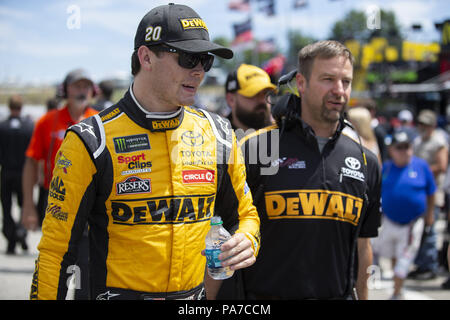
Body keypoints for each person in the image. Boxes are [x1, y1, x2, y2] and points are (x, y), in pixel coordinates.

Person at [29, 3, 260, 300]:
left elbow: (245, 215)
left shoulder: (220, 134)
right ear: (146, 57)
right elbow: (55, 253)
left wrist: (248, 239)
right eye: (189, 58)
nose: (200, 71)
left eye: (205, 60)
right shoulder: (90, 140)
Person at [216, 40, 381, 300]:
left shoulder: (365, 160)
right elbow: (219, 232)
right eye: (328, 79)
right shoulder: (253, 148)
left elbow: (364, 244)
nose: (339, 90)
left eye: (346, 81)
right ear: (301, 83)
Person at [22, 68, 98, 299]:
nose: (82, 91)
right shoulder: (46, 122)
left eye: (86, 87)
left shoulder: (100, 121)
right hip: (55, 202)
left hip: (89, 208)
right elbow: (31, 163)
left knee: (86, 275)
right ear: (65, 90)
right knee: (54, 270)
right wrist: (27, 206)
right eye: (77, 86)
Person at [373, 130, 436, 300]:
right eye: (399, 148)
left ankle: (396, 292)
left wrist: (430, 215)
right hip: (389, 221)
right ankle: (396, 285)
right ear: (392, 150)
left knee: (404, 258)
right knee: (393, 254)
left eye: (406, 147)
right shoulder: (385, 167)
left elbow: (431, 192)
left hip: (412, 223)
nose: (403, 151)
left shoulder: (421, 166)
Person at [408, 109, 448, 280]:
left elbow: (442, 166)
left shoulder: (438, 141)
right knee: (418, 231)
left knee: (429, 230)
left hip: (433, 192)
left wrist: (420, 170)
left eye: (425, 124)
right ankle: (421, 264)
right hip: (418, 192)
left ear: (432, 126)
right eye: (420, 123)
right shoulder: (417, 141)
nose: (422, 126)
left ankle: (429, 265)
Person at [0, 95, 34, 254]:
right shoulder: (29, 127)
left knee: (7, 208)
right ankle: (21, 232)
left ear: (9, 107)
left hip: (6, 172)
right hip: (23, 173)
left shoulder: (2, 127)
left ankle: (11, 238)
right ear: (21, 107)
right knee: (24, 205)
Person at [225, 64, 276, 133]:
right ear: (231, 100)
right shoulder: (216, 140)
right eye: (253, 94)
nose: (262, 100)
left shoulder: (284, 134)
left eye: (265, 93)